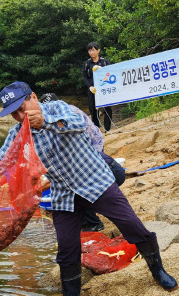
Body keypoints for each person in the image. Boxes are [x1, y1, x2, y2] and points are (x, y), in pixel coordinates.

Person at [0, 81, 178, 296]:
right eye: (14, 114)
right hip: (64, 195)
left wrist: (45, 122)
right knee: (66, 247)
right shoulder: (18, 134)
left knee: (132, 225)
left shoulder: (59, 109)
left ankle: (158, 271)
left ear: (33, 97)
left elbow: (78, 123)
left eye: (22, 108)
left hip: (96, 182)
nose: (20, 116)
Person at [40, 92, 126, 232]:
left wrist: (36, 190)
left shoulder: (63, 117)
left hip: (92, 156)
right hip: (96, 152)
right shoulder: (66, 110)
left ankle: (92, 224)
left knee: (77, 187)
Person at [81, 42, 113, 132]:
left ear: (98, 50)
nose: (91, 53)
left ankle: (108, 129)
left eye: (93, 50)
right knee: (93, 110)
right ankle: (97, 131)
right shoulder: (86, 64)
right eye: (90, 51)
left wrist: (100, 68)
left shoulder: (105, 62)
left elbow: (111, 72)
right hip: (93, 90)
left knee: (107, 109)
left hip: (104, 89)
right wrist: (89, 87)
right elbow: (84, 77)